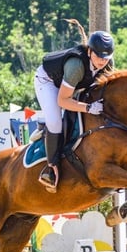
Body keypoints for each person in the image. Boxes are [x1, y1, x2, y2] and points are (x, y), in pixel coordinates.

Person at [33, 30, 115, 192]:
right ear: (89, 51)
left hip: (74, 84)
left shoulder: (107, 62)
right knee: (56, 122)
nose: (102, 61)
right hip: (48, 82)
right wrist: (89, 108)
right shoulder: (76, 65)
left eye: (105, 58)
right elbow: (62, 101)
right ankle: (51, 169)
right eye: (98, 56)